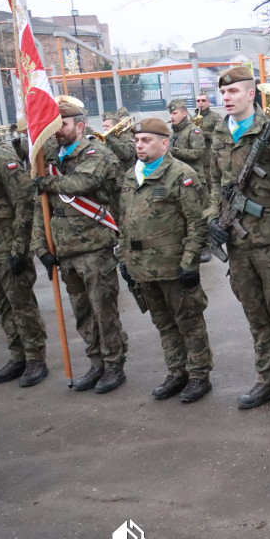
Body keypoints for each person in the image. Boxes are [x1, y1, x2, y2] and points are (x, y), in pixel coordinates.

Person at [207, 66, 270, 413]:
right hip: (237, 244)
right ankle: (267, 378)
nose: (226, 98)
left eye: (233, 92)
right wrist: (212, 221)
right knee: (255, 316)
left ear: (251, 95)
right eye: (223, 93)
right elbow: (213, 185)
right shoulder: (219, 134)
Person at [32, 100, 128, 393]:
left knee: (103, 311)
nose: (56, 131)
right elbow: (40, 206)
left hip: (95, 248)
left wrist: (45, 181)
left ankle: (113, 366)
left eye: (62, 124)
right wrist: (41, 248)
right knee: (82, 312)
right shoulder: (48, 157)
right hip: (65, 251)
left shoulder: (96, 153)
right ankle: (95, 362)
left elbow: (81, 183)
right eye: (53, 125)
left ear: (80, 125)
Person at [118, 118, 213, 403]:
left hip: (173, 265)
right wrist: (125, 257)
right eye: (136, 141)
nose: (139, 145)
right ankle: (177, 372)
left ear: (164, 143)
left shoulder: (181, 174)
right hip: (142, 267)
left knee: (189, 322)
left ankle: (198, 375)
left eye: (146, 140)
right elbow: (125, 222)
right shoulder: (130, 176)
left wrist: (190, 262)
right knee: (164, 324)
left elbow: (197, 222)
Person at [0, 111, 48, 387]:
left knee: (21, 303)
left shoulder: (3, 160)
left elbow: (24, 204)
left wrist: (19, 248)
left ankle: (36, 359)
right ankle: (17, 356)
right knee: (2, 304)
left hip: (5, 244)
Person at [167, 99, 206, 183]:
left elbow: (198, 153)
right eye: (171, 113)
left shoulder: (193, 130)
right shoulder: (172, 132)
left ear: (184, 114)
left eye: (175, 113)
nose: (172, 117)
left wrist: (174, 151)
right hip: (176, 177)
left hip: (193, 177)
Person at [193, 92, 222, 190]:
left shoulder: (215, 117)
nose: (200, 103)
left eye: (203, 100)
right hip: (195, 159)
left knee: (211, 186)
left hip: (209, 158)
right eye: (198, 101)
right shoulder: (192, 118)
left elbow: (221, 135)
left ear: (208, 102)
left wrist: (203, 134)